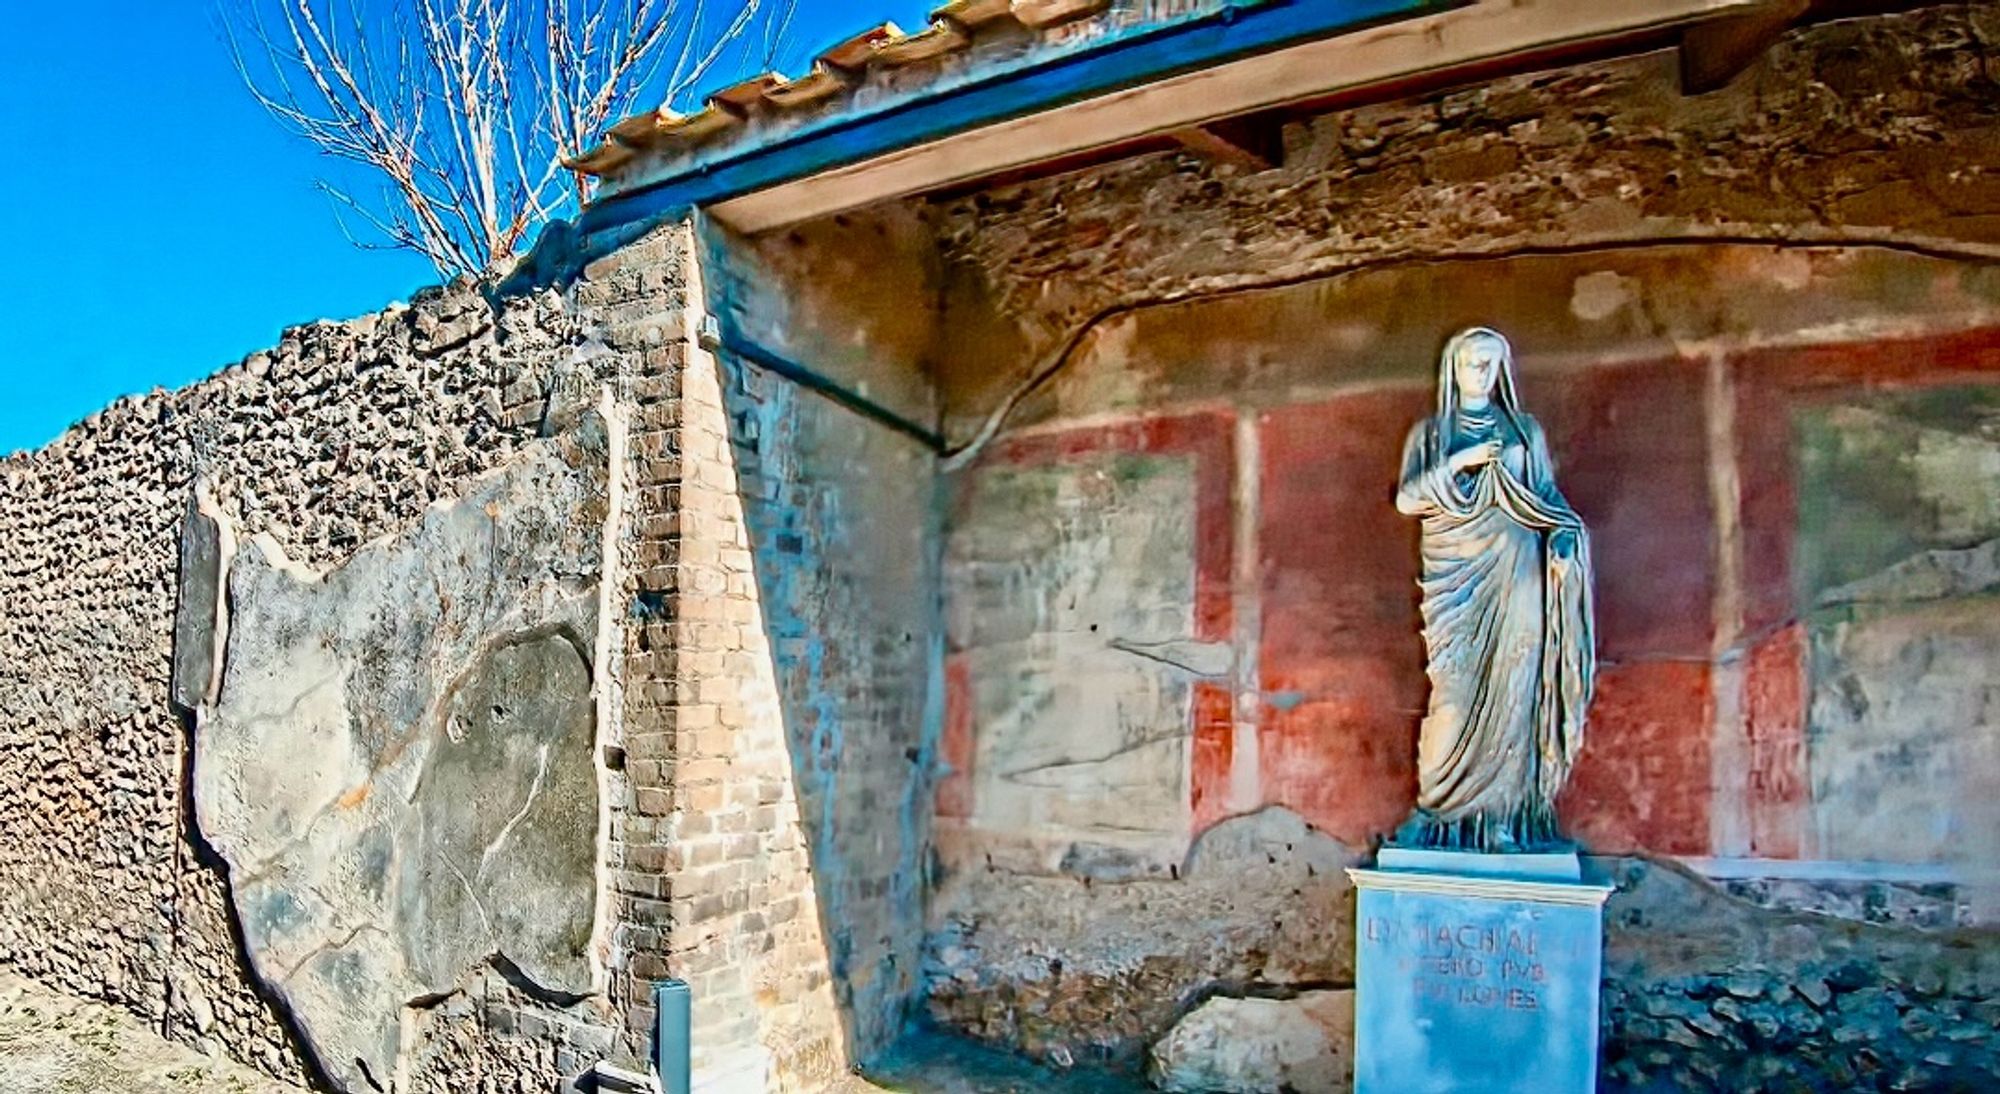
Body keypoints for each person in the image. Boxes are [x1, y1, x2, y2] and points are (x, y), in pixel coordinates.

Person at [1392, 326, 1596, 852]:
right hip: (1455, 580)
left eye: (1488, 363)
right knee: (1453, 700)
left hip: (1517, 575)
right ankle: (1436, 809)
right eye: (1469, 362)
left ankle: (1501, 819)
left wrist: (1565, 544)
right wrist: (1461, 461)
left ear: (1502, 370)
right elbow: (1407, 500)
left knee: (1513, 694)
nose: (1478, 372)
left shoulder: (1525, 433)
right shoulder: (1432, 435)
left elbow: (1549, 500)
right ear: (1452, 368)